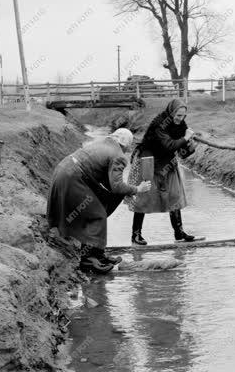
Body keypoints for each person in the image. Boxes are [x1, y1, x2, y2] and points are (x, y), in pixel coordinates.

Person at [47, 128, 151, 274]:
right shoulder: (118, 155)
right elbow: (116, 186)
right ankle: (89, 261)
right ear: (126, 144)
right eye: (129, 146)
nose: (128, 150)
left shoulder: (104, 143)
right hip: (73, 177)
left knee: (99, 206)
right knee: (96, 215)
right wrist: (137, 189)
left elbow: (109, 183)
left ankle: (98, 255)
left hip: (65, 171)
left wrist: (125, 191)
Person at [128, 98, 197, 245]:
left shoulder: (181, 125)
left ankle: (179, 233)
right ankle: (136, 235)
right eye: (178, 115)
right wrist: (185, 138)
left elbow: (182, 152)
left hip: (167, 163)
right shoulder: (160, 124)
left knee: (174, 195)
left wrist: (190, 146)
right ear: (171, 112)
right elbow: (169, 145)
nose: (181, 118)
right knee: (144, 197)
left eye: (183, 116)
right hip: (149, 162)